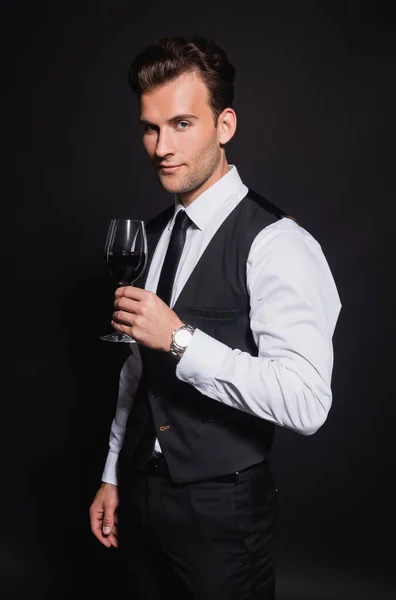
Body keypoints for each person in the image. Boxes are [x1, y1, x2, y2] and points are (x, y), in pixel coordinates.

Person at [89, 34, 342, 600]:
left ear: (224, 126)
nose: (161, 146)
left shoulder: (279, 244)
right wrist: (111, 473)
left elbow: (307, 402)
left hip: (223, 514)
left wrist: (179, 339)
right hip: (140, 494)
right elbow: (135, 371)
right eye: (150, 127)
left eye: (182, 124)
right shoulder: (149, 237)